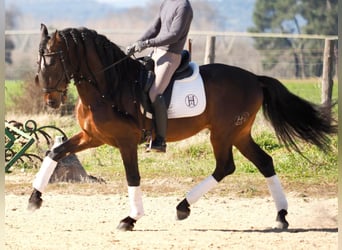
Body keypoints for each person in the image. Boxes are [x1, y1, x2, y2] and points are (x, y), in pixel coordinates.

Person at [127, 0, 193, 153]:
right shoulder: (167, 3)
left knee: (155, 93)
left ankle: (160, 140)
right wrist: (139, 42)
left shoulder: (184, 6)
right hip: (156, 53)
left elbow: (174, 35)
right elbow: (155, 27)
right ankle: (145, 129)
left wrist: (147, 43)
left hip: (171, 56)